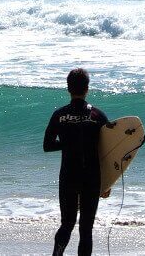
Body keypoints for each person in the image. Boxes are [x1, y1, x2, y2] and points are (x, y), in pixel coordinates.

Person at [44, 68, 111, 256]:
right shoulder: (97, 116)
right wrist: (108, 181)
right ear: (87, 88)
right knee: (86, 228)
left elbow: (47, 145)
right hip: (91, 177)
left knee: (67, 223)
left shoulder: (59, 115)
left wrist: (67, 143)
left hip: (68, 175)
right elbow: (109, 149)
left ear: (68, 88)